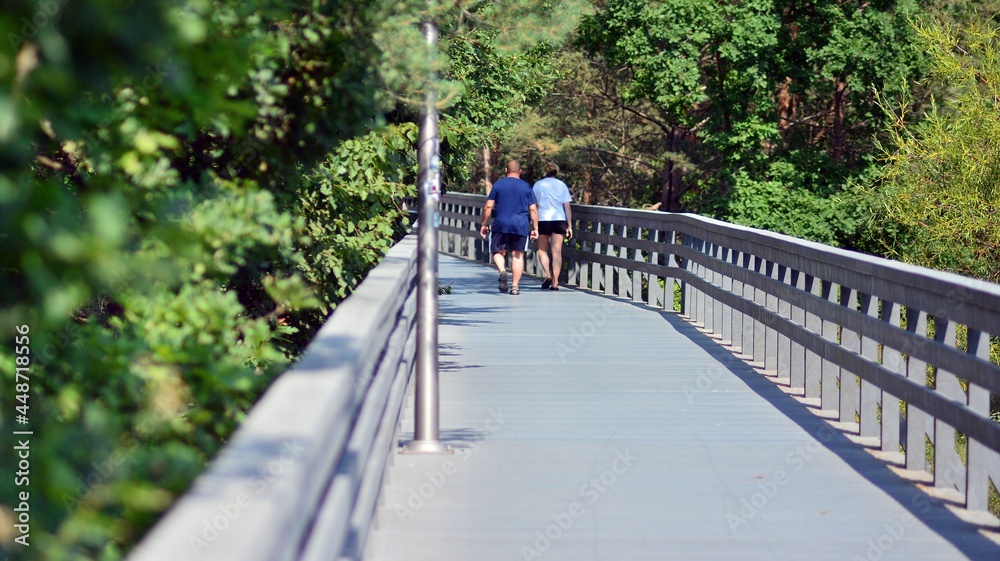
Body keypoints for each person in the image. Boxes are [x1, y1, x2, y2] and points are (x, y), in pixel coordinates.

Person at [479, 160, 539, 295]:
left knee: (498, 252)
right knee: (518, 255)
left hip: (500, 223)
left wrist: (483, 224)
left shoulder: (498, 185)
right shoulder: (526, 187)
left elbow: (488, 206)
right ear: (520, 171)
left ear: (506, 170)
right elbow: (533, 209)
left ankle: (502, 271)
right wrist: (535, 228)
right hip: (520, 225)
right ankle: (515, 287)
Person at [531, 162, 573, 290]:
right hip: (558, 219)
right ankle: (555, 282)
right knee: (556, 252)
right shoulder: (562, 185)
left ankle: (548, 274)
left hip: (543, 219)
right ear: (556, 172)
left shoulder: (538, 185)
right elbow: (567, 206)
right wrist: (569, 225)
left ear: (545, 171)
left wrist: (534, 225)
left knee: (542, 250)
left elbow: (534, 206)